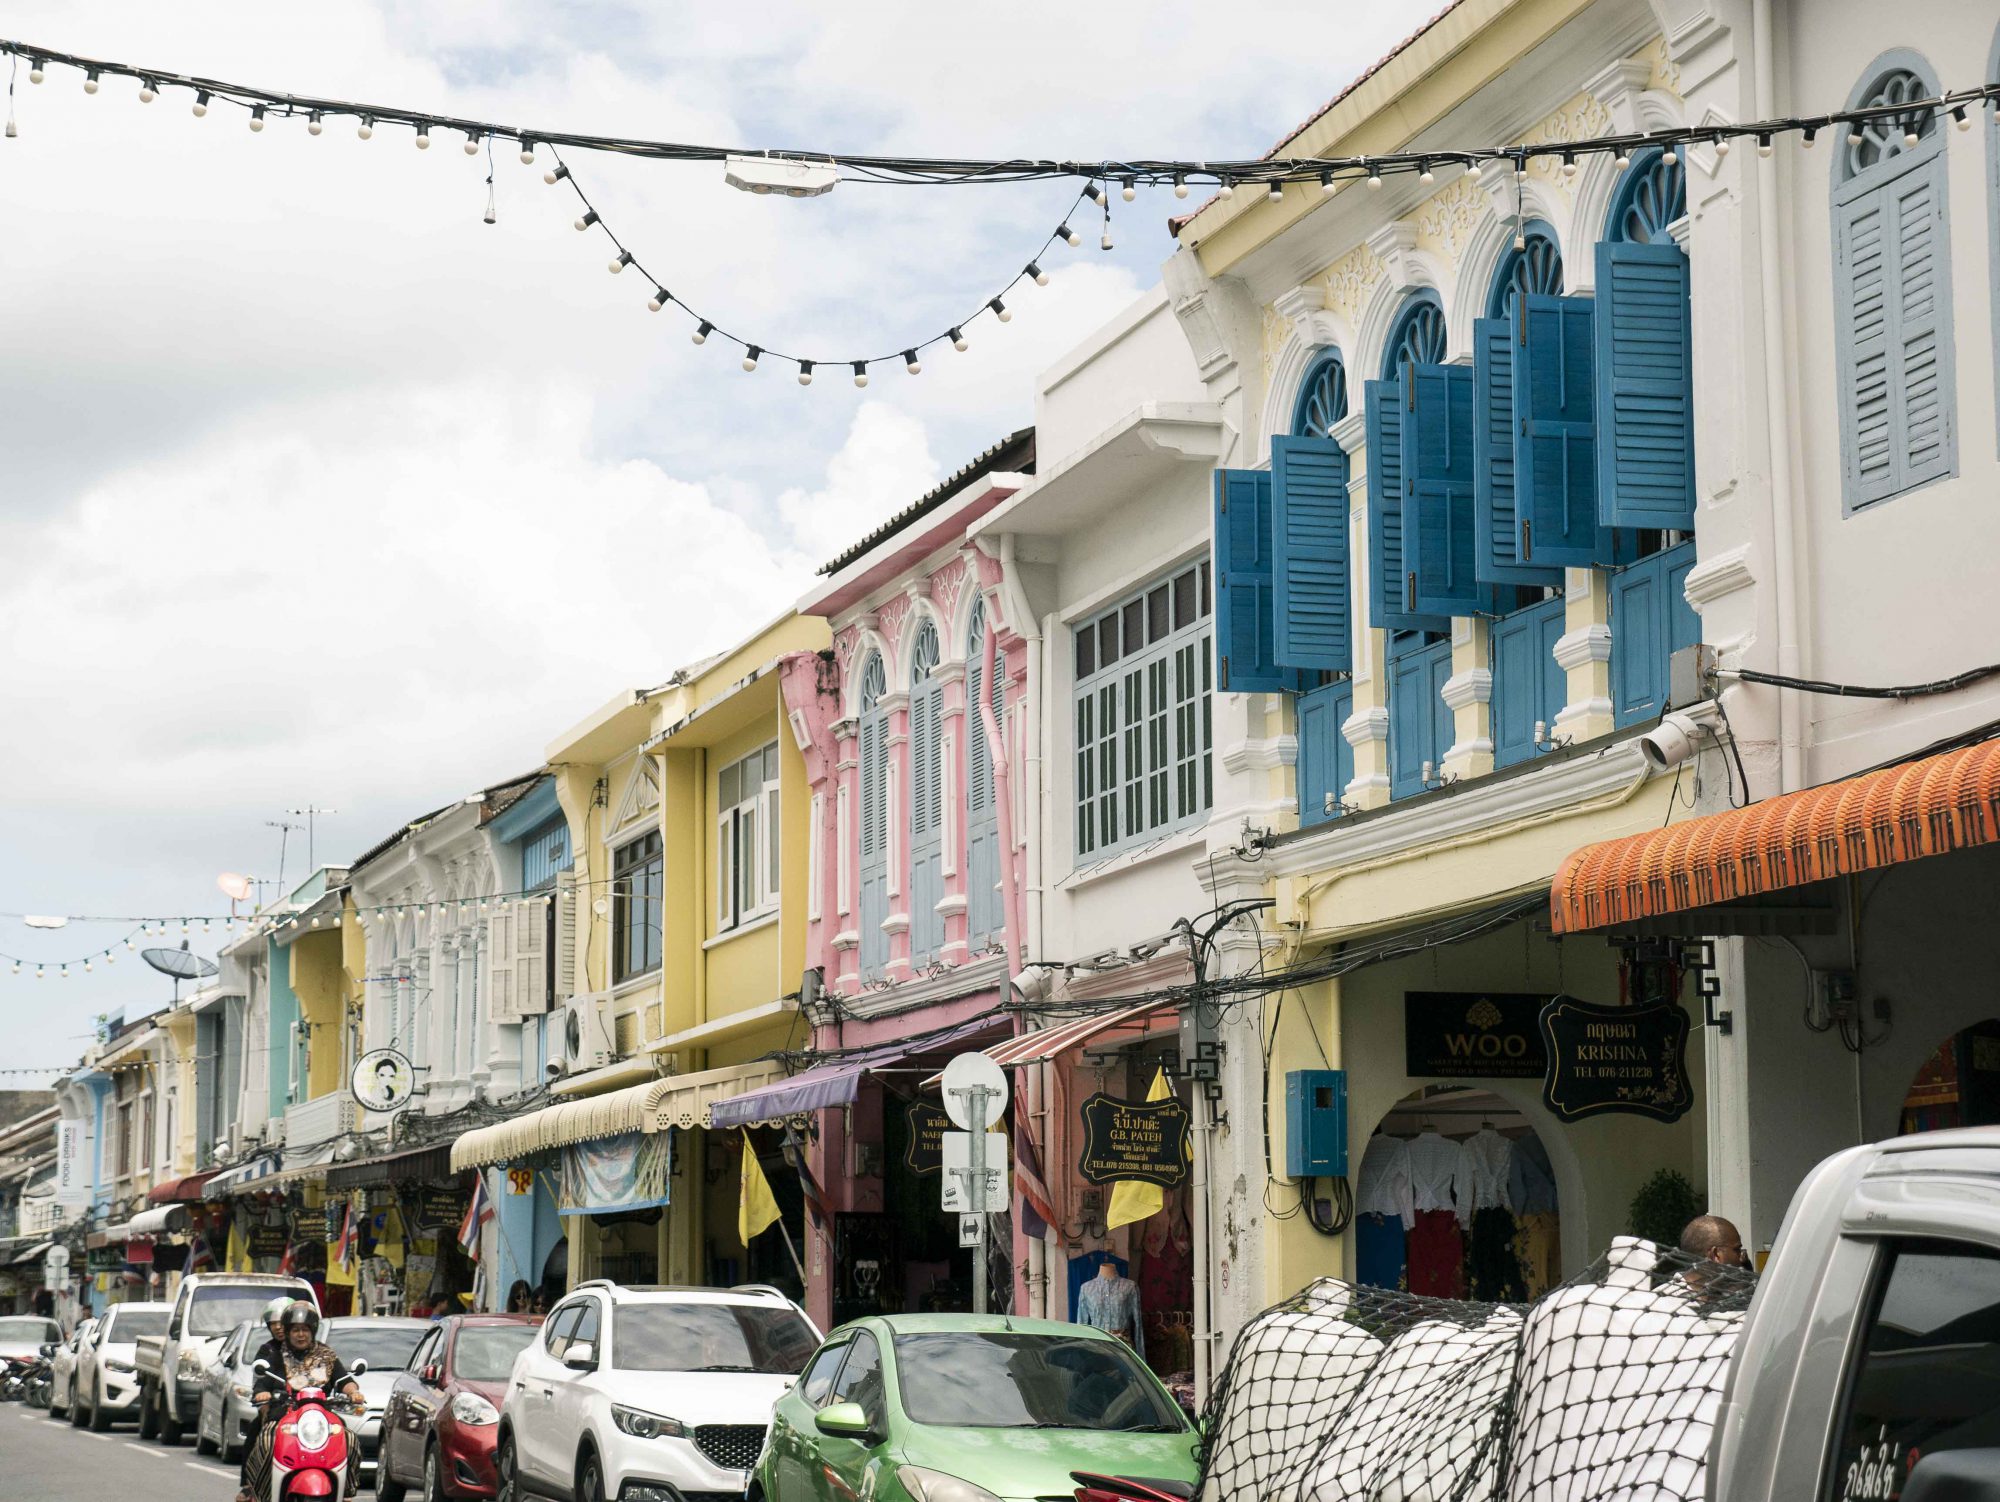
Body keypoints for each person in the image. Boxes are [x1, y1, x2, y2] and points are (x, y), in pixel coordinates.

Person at [237, 1302, 364, 1502]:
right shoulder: (276, 1355)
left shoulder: (327, 1355)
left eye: (305, 1329)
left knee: (350, 1439)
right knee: (267, 1439)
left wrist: (354, 1392)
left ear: (312, 1331)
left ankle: (346, 1491)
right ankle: (259, 1491)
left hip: (322, 1416)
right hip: (286, 1415)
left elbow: (344, 1380)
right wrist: (263, 1394)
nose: (300, 1335)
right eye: (295, 1330)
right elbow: (263, 1383)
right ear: (288, 1332)